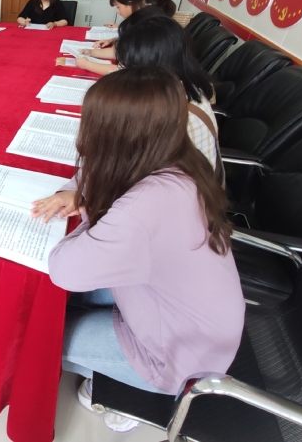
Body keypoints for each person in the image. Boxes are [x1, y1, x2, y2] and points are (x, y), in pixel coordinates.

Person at [31, 66, 244, 433]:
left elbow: (64, 269)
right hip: (187, 314)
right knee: (64, 303)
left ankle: (138, 391)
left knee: (41, 335)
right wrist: (76, 192)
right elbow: (100, 173)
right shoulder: (175, 159)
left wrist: (88, 210)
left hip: (179, 354)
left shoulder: (145, 208)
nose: (84, 132)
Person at [115, 11, 220, 170]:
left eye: (127, 66)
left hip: (179, 182)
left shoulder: (172, 116)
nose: (122, 71)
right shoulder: (184, 88)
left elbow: (133, 165)